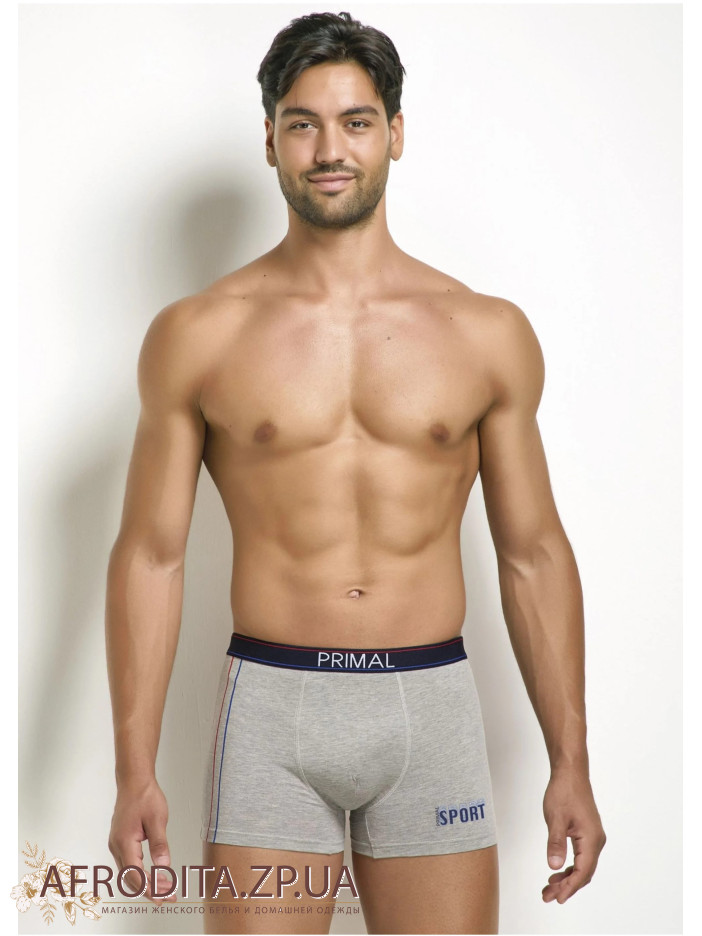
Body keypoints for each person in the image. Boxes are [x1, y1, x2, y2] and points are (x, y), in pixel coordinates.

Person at [105, 11, 606, 934]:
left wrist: (570, 759)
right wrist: (132, 769)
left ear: (395, 133)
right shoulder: (199, 335)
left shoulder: (485, 333)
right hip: (273, 707)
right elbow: (150, 556)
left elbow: (533, 553)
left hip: (432, 705)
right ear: (270, 139)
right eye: (303, 124)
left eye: (356, 121)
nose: (330, 149)